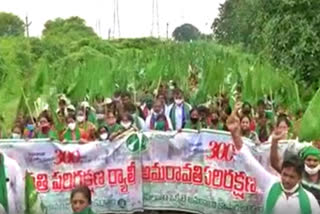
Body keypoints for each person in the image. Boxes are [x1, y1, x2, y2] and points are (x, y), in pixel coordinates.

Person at [226, 113, 320, 214]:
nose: (286, 180)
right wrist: (235, 134)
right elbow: (249, 160)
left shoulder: (310, 201)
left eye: (292, 177)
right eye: (285, 175)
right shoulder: (270, 184)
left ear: (299, 178)